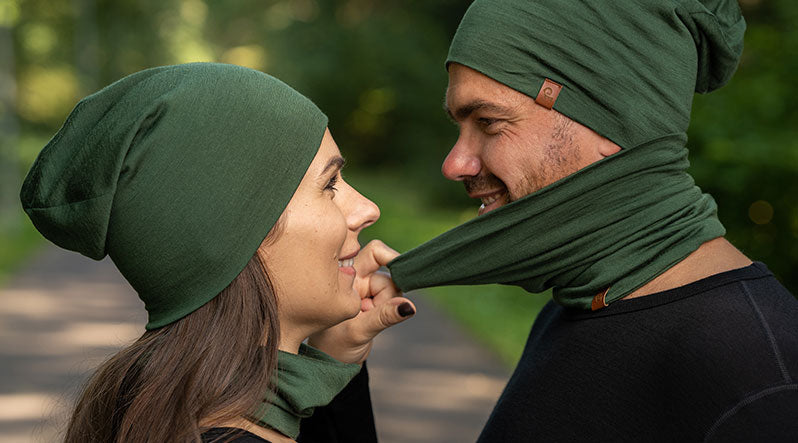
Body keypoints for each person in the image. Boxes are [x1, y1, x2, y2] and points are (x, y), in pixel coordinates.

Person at [384, 0, 798, 441]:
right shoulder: (580, 306)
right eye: (459, 127)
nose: (455, 164)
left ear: (614, 119)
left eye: (488, 122)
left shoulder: (763, 382)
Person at [20, 62, 415, 443]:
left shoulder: (166, 411)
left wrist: (338, 362)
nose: (367, 209)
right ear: (236, 232)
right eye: (330, 184)